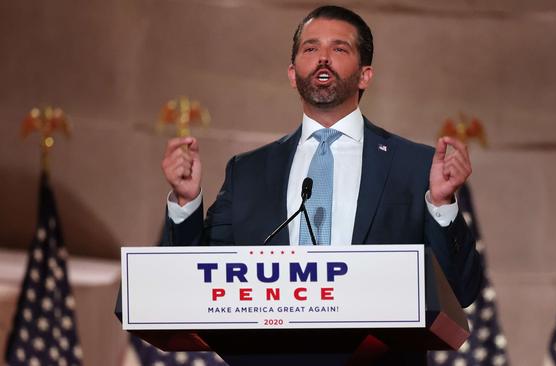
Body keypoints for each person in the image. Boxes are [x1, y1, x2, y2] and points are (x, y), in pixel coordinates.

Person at [162, 2, 481, 318]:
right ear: (292, 74)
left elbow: (460, 291)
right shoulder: (247, 172)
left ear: (364, 76)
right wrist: (186, 203)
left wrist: (441, 205)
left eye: (339, 49)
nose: (323, 59)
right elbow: (193, 282)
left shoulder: (414, 166)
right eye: (310, 49)